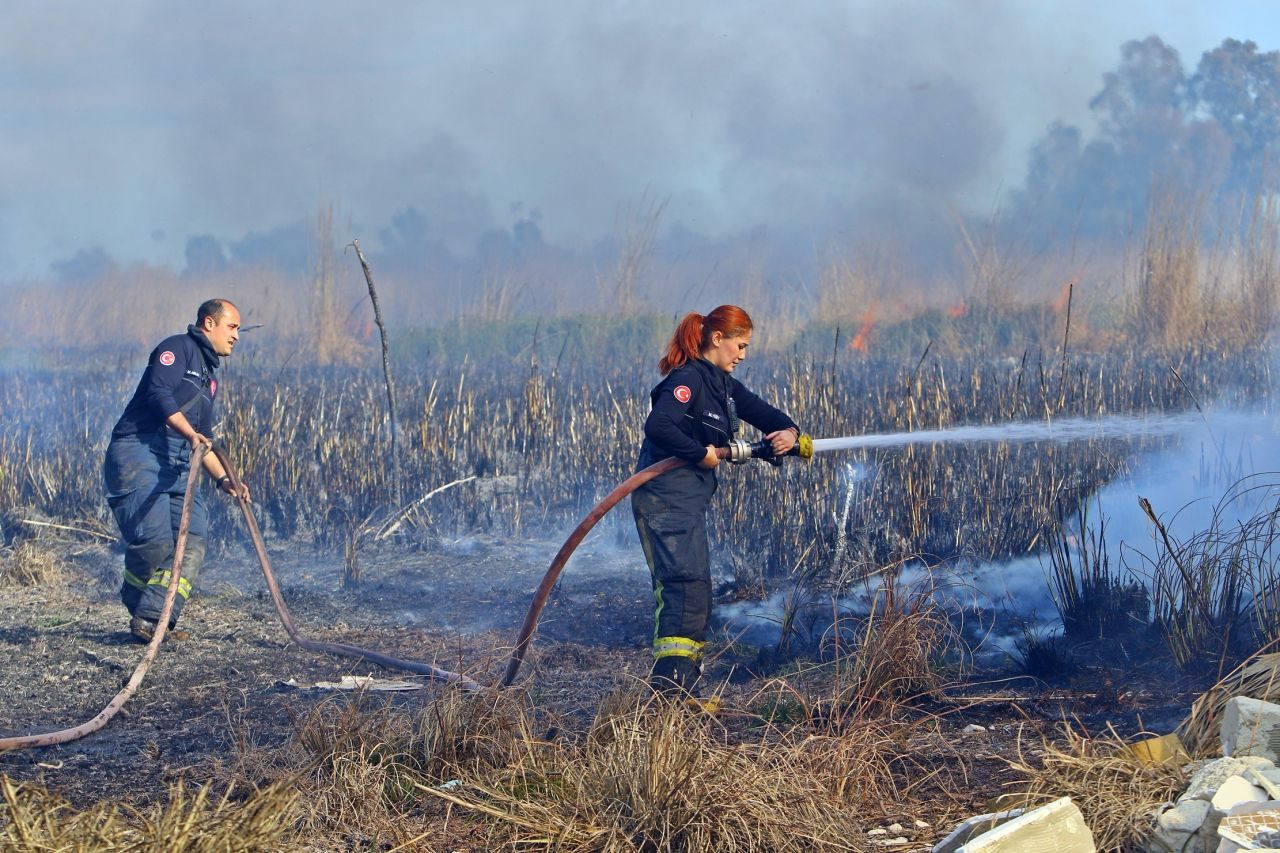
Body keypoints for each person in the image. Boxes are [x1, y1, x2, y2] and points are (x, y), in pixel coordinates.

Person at [632, 305, 799, 696]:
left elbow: (768, 415)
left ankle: (683, 689)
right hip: (664, 498)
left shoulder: (723, 386)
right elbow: (658, 425)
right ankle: (670, 693)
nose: (743, 354)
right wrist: (699, 453)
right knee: (683, 588)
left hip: (685, 503)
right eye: (740, 345)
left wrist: (789, 433)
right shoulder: (688, 378)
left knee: (697, 591)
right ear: (717, 338)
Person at [104, 298, 251, 643]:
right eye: (232, 327)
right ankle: (136, 597)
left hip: (178, 463)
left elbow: (204, 440)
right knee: (156, 541)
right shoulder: (177, 349)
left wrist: (226, 479)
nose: (236, 336)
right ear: (209, 323)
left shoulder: (209, 379)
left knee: (194, 540)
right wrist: (188, 433)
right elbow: (158, 394)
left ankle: (153, 619)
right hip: (140, 453)